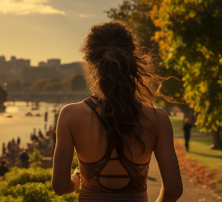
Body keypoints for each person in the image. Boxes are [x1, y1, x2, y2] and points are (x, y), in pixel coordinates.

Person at [51, 21, 183, 202]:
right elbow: (174, 190)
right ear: (132, 59)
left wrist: (77, 176)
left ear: (90, 63)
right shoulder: (157, 118)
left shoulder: (70, 115)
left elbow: (60, 187)